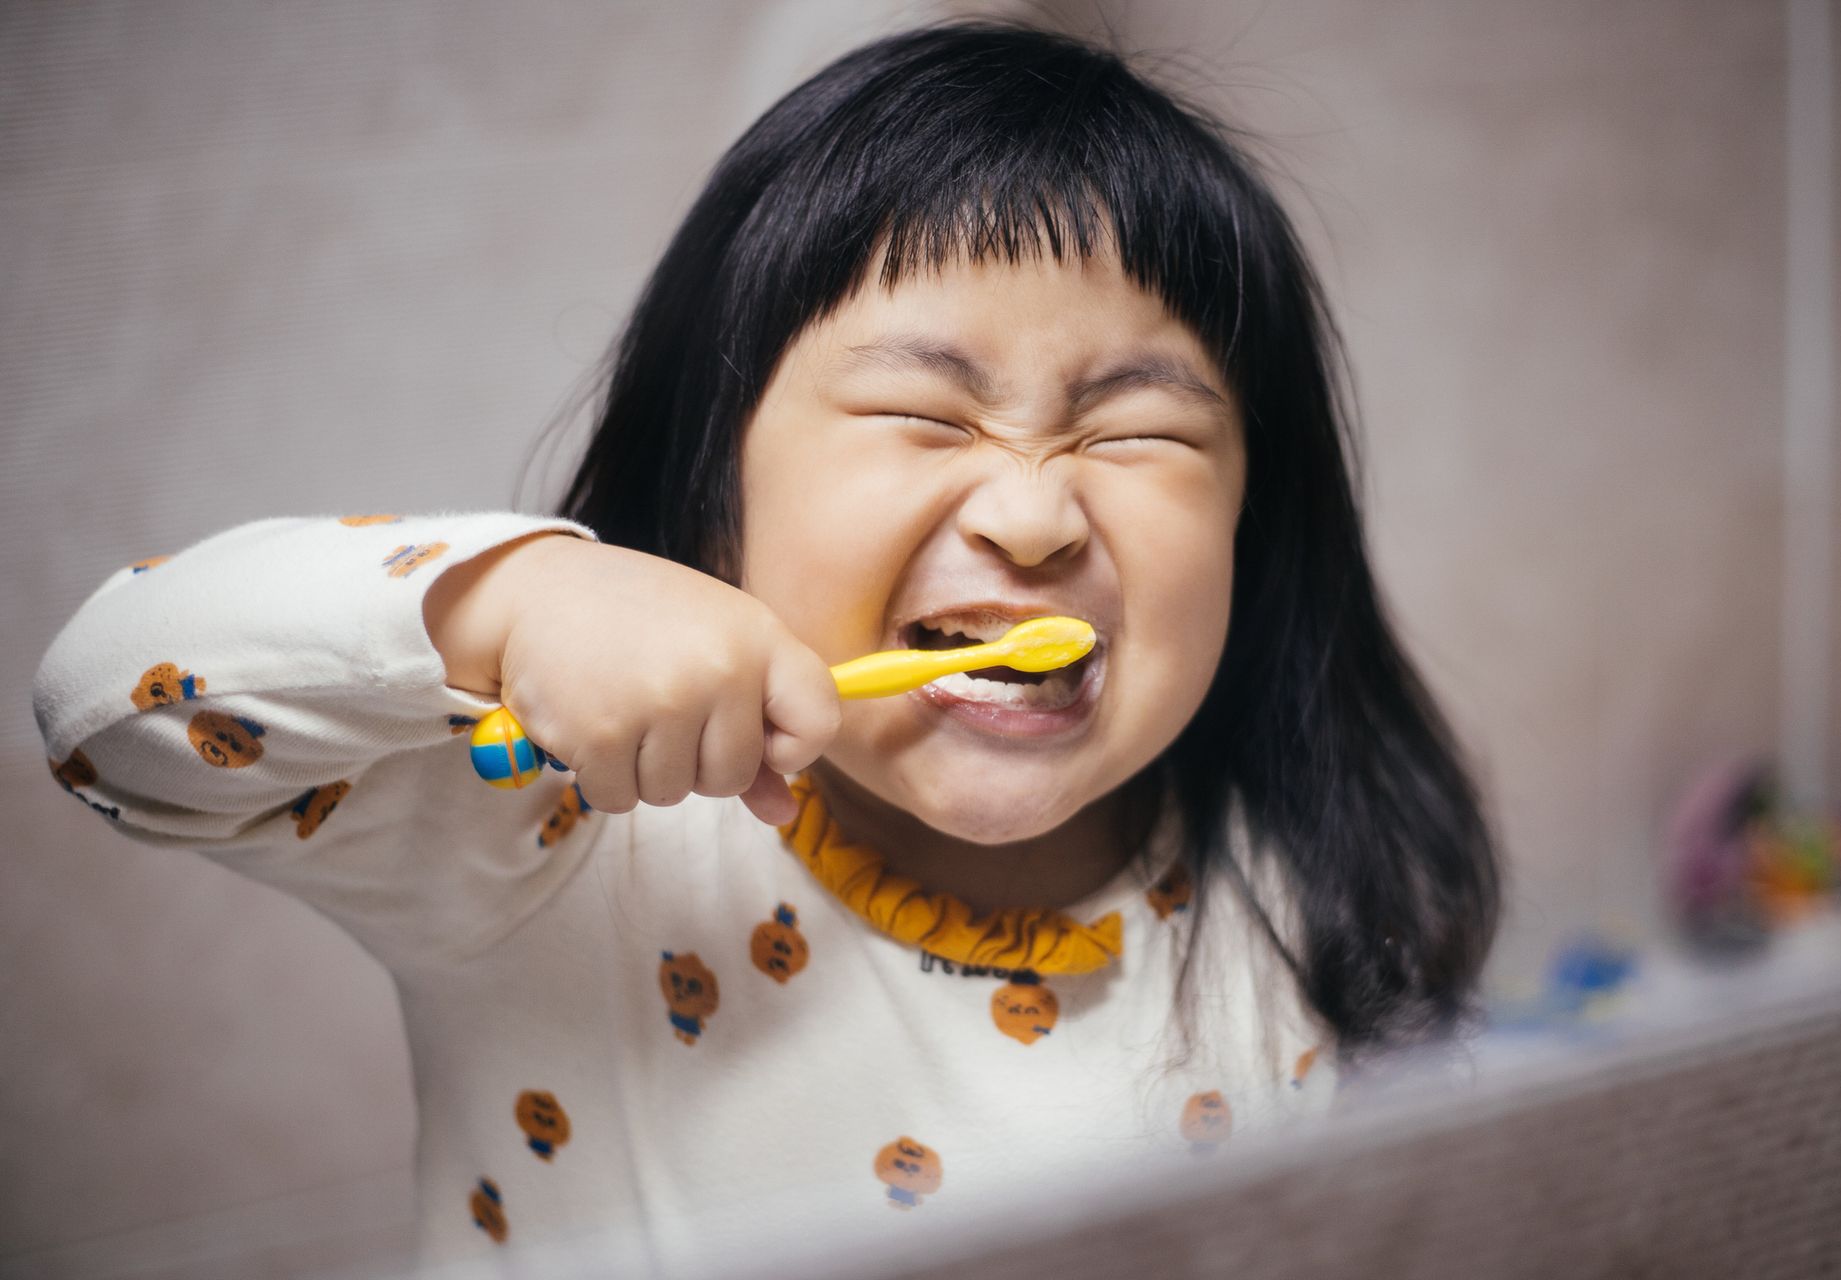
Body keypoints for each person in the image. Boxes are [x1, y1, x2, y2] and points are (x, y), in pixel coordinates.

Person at [32, 18, 1500, 1273]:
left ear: (1256, 518)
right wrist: (517, 603)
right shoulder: (554, 834)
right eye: (922, 414)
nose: (1035, 514)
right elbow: (107, 711)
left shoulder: (1295, 886)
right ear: (711, 487)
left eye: (1137, 433)